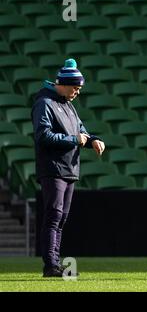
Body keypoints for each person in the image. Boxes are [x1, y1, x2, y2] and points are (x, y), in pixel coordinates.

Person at [32, 58, 105, 277]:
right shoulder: (44, 103)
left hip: (68, 169)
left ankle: (55, 263)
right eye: (76, 87)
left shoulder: (67, 104)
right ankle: (50, 266)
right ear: (63, 83)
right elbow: (43, 136)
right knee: (54, 215)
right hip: (53, 168)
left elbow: (81, 129)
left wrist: (92, 139)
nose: (77, 92)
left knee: (61, 218)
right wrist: (74, 139)